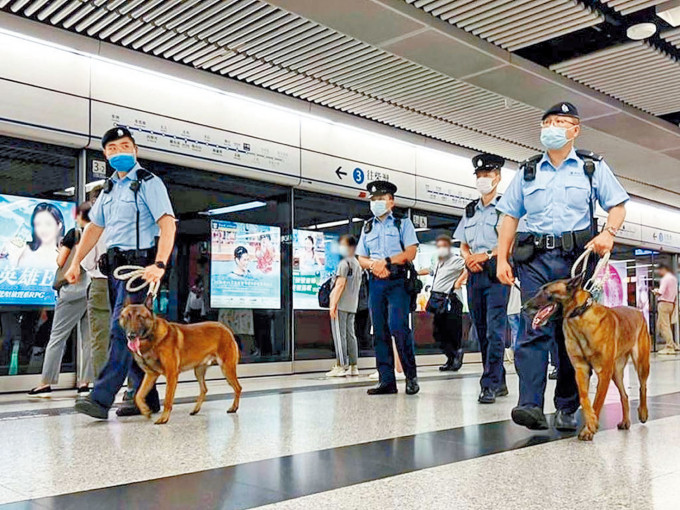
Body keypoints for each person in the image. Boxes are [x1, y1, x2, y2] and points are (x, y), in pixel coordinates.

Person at [496, 102, 629, 431]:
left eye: (561, 122)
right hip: (535, 262)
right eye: (548, 122)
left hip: (576, 262)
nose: (552, 128)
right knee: (532, 327)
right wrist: (501, 257)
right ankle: (529, 404)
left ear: (575, 130)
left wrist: (608, 234)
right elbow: (509, 216)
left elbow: (617, 205)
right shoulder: (528, 171)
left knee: (571, 332)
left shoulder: (591, 168)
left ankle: (568, 405)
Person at [66, 126, 176, 420]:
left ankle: (100, 398)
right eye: (112, 149)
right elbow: (94, 228)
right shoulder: (111, 188)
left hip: (140, 269)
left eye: (125, 146)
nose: (119, 152)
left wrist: (160, 264)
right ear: (105, 154)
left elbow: (168, 224)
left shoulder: (149, 182)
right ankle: (147, 397)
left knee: (121, 327)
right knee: (133, 333)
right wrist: (75, 262)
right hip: (115, 269)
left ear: (135, 150)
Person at [454, 153, 509, 404]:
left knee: (494, 331)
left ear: (497, 177)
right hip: (474, 275)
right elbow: (463, 244)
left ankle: (489, 384)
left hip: (496, 273)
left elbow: (509, 242)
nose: (482, 179)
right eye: (479, 175)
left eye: (486, 175)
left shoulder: (507, 207)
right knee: (482, 329)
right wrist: (468, 258)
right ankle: (500, 379)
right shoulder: (469, 210)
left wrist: (485, 255)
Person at [356, 180, 420, 395]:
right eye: (373, 199)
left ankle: (411, 376)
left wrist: (386, 262)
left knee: (398, 327)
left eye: (381, 199)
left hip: (397, 281)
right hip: (375, 282)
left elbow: (410, 252)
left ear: (391, 201)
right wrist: (374, 265)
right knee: (379, 331)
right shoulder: (368, 227)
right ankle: (387, 381)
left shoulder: (403, 223)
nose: (376, 203)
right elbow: (361, 257)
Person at [28, 203, 91, 395]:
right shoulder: (99, 234)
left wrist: (60, 250)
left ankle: (46, 382)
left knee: (57, 337)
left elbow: (61, 261)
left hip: (72, 291)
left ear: (79, 216)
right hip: (92, 290)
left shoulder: (75, 234)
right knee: (89, 340)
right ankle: (85, 382)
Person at [418, 235, 466, 371]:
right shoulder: (439, 262)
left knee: (452, 330)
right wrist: (415, 272)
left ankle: (456, 355)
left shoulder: (456, 260)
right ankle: (450, 357)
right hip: (438, 300)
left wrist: (459, 281)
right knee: (438, 332)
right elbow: (430, 270)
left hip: (451, 300)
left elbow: (469, 267)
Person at [79, 200, 110, 381]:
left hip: (100, 284)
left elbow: (87, 261)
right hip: (126, 284)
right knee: (129, 338)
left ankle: (102, 386)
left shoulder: (96, 227)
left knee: (100, 340)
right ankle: (134, 389)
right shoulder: (127, 223)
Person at [326, 235, 362, 377]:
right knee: (350, 335)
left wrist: (333, 304)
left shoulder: (344, 264)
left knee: (339, 335)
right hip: (352, 304)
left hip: (341, 304)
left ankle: (340, 365)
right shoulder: (357, 264)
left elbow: (340, 285)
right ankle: (354, 366)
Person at [6, 202, 65, 269]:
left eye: (48, 224)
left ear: (59, 225)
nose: (43, 229)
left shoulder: (66, 255)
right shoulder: (21, 248)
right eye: (38, 224)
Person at [654, 263, 678, 355]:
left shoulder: (665, 279)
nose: (659, 272)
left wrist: (655, 291)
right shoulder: (673, 279)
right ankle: (673, 344)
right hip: (671, 303)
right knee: (668, 326)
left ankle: (669, 347)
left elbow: (661, 291)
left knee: (663, 326)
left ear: (663, 269)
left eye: (659, 270)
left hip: (663, 303)